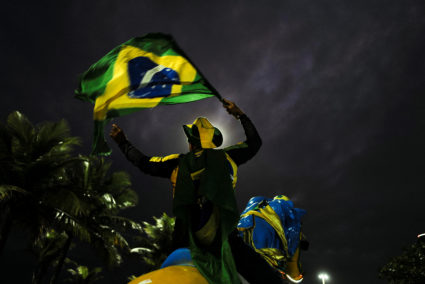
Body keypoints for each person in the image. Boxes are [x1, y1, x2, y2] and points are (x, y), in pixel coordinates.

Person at [110, 99, 284, 283]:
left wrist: (123, 142)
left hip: (185, 239)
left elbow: (144, 163)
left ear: (191, 144)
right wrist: (239, 114)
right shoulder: (228, 158)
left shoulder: (177, 162)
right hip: (224, 238)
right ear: (212, 142)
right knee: (270, 280)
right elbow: (255, 142)